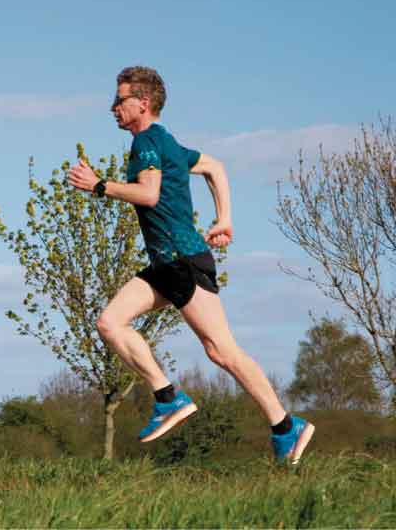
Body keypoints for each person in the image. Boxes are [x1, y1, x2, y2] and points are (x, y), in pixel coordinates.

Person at [67, 66, 314, 463]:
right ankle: (168, 396)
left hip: (180, 261)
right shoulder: (170, 144)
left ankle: (284, 426)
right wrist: (226, 217)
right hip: (169, 263)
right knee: (109, 323)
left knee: (222, 351)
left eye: (120, 99)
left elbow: (148, 195)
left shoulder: (147, 141)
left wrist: (100, 185)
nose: (112, 107)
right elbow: (215, 167)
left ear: (142, 103)